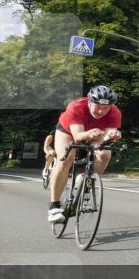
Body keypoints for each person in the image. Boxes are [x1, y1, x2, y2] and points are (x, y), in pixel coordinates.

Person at [47, 85, 122, 223]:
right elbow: (78, 136)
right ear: (89, 102)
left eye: (105, 108)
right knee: (66, 159)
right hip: (68, 132)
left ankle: (86, 183)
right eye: (97, 106)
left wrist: (113, 135)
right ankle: (54, 206)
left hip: (96, 133)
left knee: (105, 154)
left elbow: (107, 137)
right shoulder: (76, 107)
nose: (101, 111)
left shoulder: (115, 112)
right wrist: (90, 134)